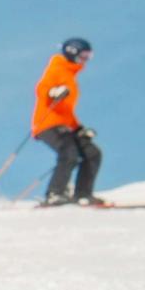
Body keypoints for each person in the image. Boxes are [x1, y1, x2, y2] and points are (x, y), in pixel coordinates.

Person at [33, 39, 102, 206]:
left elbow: (67, 111)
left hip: (65, 125)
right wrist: (53, 92)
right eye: (83, 55)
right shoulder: (57, 67)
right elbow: (42, 88)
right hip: (47, 124)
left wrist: (79, 129)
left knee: (92, 153)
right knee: (69, 153)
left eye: (89, 56)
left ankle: (83, 194)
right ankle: (54, 194)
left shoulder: (70, 76)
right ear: (72, 52)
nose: (86, 59)